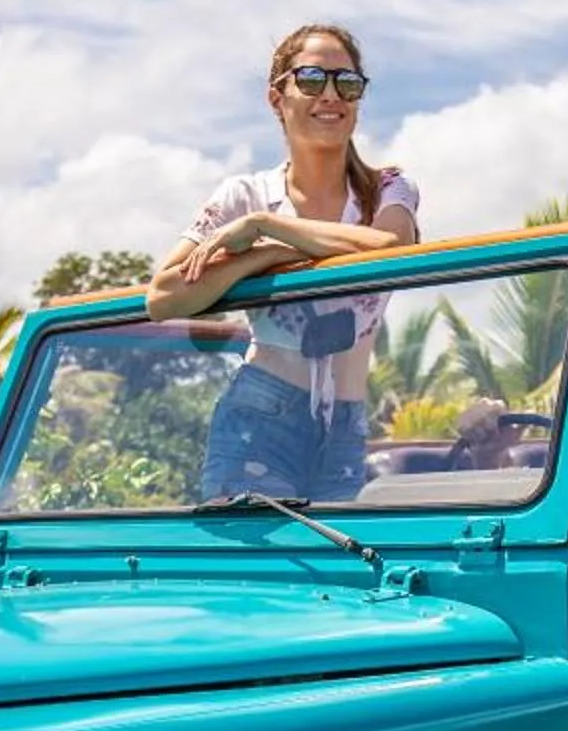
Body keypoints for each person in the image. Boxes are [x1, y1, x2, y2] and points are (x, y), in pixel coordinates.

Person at [147, 25, 422, 502]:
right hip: (259, 416)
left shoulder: (388, 189)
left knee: (347, 554)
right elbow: (163, 297)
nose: (331, 95)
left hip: (347, 425)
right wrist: (266, 255)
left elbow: (390, 247)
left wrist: (268, 228)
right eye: (312, 79)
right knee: (250, 553)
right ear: (277, 97)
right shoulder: (245, 195)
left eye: (347, 83)